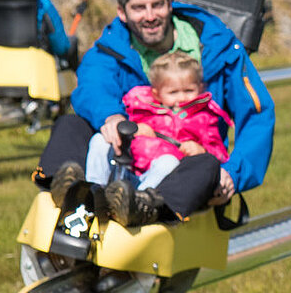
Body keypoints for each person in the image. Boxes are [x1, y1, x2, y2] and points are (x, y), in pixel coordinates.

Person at [35, 0, 273, 224]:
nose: (150, 16)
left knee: (208, 165)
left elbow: (257, 114)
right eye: (138, 8)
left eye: (157, 5)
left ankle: (145, 207)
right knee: (69, 124)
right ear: (122, 13)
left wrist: (232, 174)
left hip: (184, 163)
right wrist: (111, 116)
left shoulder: (219, 47)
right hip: (129, 155)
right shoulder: (111, 48)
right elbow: (92, 85)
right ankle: (71, 193)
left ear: (170, 4)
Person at [83, 51, 234, 226]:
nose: (181, 98)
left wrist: (202, 150)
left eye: (188, 90)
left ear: (200, 88)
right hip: (128, 169)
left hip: (159, 180)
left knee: (168, 161)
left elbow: (218, 151)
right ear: (156, 93)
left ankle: (137, 205)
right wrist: (135, 128)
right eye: (173, 92)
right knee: (100, 140)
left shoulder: (204, 117)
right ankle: (93, 192)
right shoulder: (140, 107)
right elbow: (121, 126)